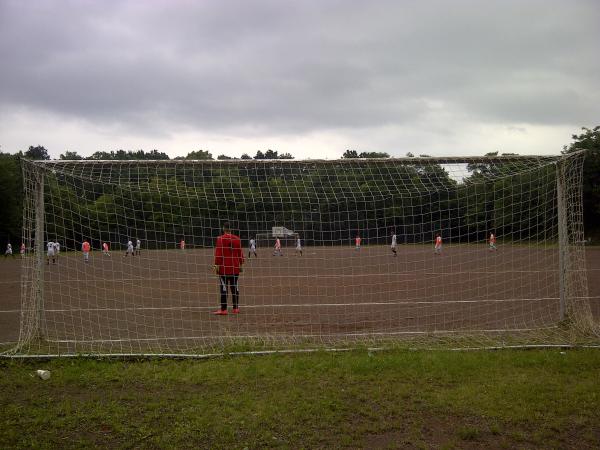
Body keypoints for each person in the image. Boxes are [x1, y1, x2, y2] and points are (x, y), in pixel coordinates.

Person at [213, 222, 244, 315]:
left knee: (224, 288)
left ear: (223, 228)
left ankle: (224, 309)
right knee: (235, 287)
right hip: (235, 267)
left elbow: (218, 253)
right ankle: (235, 308)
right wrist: (241, 264)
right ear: (231, 229)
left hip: (224, 268)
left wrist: (216, 265)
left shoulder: (220, 239)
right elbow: (240, 253)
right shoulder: (237, 239)